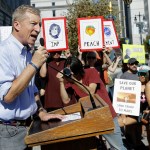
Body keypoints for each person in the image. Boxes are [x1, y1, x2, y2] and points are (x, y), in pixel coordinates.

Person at [0, 5, 64, 150]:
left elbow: (32, 90)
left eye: (39, 24)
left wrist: (41, 112)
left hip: (28, 128)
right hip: (8, 132)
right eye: (33, 24)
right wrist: (34, 64)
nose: (38, 29)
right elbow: (8, 96)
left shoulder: (28, 52)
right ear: (17, 25)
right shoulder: (3, 52)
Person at [56, 56, 127, 150]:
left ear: (78, 68)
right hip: (91, 119)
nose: (71, 73)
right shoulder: (70, 81)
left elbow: (91, 92)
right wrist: (61, 82)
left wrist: (74, 80)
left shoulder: (91, 72)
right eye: (69, 70)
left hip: (106, 115)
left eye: (73, 70)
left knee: (117, 148)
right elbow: (66, 100)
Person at [119, 58, 147, 149]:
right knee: (131, 125)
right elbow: (121, 92)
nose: (134, 65)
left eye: (136, 63)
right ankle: (132, 142)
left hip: (140, 104)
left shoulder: (139, 74)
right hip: (129, 105)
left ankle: (138, 143)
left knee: (139, 123)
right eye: (132, 64)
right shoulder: (124, 76)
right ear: (128, 65)